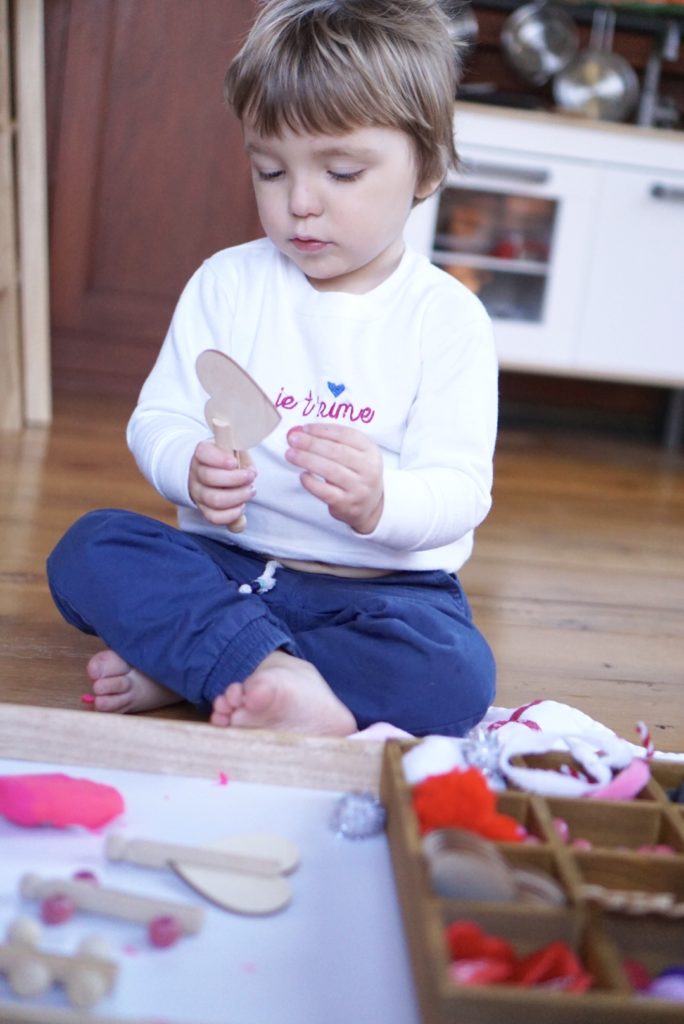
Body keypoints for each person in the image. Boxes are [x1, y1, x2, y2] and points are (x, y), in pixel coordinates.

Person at [46, 0, 498, 738]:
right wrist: (185, 467)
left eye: (342, 171)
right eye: (269, 169)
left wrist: (383, 501)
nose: (299, 204)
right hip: (227, 563)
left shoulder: (446, 319)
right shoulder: (228, 283)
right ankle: (277, 677)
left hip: (381, 595)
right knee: (90, 550)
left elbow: (458, 490)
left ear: (428, 169)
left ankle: (210, 664)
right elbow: (160, 417)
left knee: (455, 675)